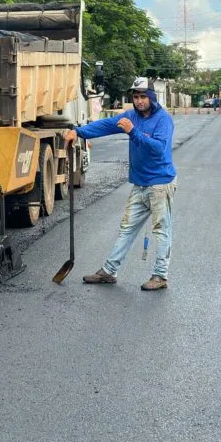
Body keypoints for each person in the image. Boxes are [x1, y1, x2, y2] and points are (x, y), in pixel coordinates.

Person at [63, 78, 176, 291]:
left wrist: (133, 132)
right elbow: (104, 126)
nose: (139, 101)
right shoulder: (130, 116)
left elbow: (159, 148)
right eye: (136, 97)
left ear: (151, 97)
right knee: (127, 228)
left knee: (161, 230)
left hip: (160, 184)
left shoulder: (163, 120)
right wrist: (78, 131)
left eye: (143, 97)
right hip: (140, 184)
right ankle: (109, 271)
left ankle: (160, 276)